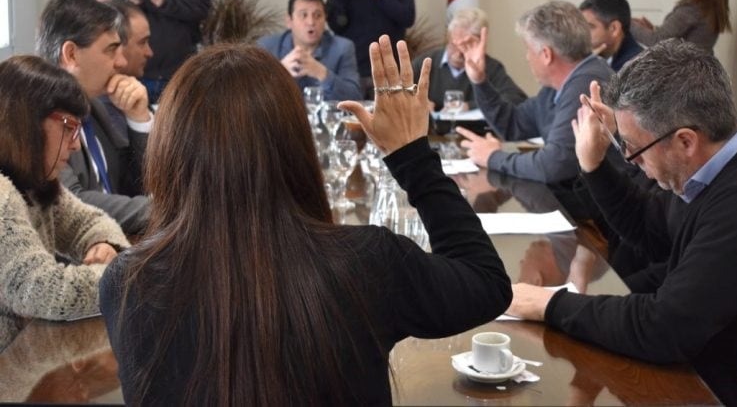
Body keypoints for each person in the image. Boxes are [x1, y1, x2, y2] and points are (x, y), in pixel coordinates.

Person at [99, 37, 511, 405]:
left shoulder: (125, 284)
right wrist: (411, 156)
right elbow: (486, 283)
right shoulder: (366, 263)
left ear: (169, 151)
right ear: (295, 145)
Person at [509, 39, 737, 405]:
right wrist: (594, 164)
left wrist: (547, 305)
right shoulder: (709, 172)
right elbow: (650, 232)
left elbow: (665, 328)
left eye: (632, 147)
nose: (629, 160)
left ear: (685, 141)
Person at [0, 55, 129, 323]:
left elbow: (90, 221)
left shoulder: (35, 182)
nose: (75, 145)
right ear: (25, 123)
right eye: (69, 127)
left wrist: (103, 243)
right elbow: (46, 291)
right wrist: (124, 275)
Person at [456, 1, 613, 185]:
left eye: (528, 49)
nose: (527, 57)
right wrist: (479, 80)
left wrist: (493, 157)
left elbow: (553, 166)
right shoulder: (557, 86)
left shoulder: (586, 85)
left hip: (590, 209)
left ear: (546, 54)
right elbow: (513, 125)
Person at [36, 0, 151, 236]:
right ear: (71, 55)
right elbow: (72, 202)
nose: (121, 62)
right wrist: (166, 211)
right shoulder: (39, 117)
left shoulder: (93, 107)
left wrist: (138, 118)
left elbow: (135, 183)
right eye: (111, 50)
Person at [96, 0, 211, 104]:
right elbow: (100, 18)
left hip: (180, 72)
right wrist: (127, 3)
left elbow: (204, 7)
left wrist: (165, 1)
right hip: (130, 79)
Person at [412, 7, 527, 112]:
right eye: (454, 45)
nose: (458, 54)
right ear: (448, 36)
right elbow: (397, 91)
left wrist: (469, 106)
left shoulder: (491, 67)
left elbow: (516, 99)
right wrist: (415, 101)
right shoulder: (426, 62)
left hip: (474, 133)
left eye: (466, 47)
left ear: (480, 43)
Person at [259, 0, 361, 101]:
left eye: (318, 15)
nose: (311, 22)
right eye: (303, 15)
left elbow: (355, 97)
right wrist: (280, 72)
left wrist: (322, 73)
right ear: (289, 21)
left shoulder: (343, 48)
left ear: (325, 19)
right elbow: (252, 96)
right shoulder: (267, 47)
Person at [326, 0, 415, 98]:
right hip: (352, 71)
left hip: (388, 69)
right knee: (349, 115)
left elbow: (408, 18)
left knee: (388, 114)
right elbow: (335, 24)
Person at [99, 0, 154, 142]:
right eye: (143, 42)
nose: (149, 52)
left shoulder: (133, 92)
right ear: (116, 46)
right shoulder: (103, 112)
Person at [631, 0, 731, 52]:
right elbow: (684, 37)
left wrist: (626, 22)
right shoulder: (708, 6)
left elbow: (656, 40)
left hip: (687, 77)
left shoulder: (692, 9)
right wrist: (652, 28)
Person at [579, 0, 643, 72]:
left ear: (614, 29)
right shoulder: (596, 57)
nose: (581, 33)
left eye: (589, 27)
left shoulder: (635, 68)